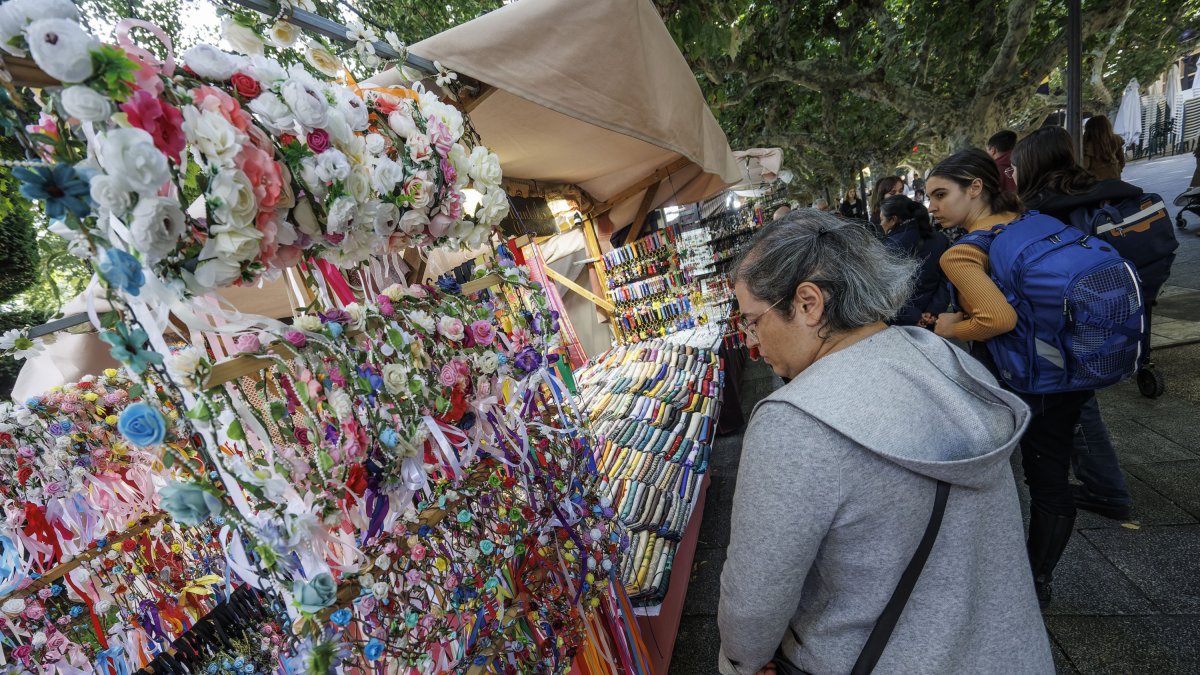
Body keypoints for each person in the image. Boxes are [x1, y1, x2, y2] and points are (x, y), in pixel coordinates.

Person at [717, 211, 1052, 675]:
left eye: (754, 321)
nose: (754, 343)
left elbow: (755, 599)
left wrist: (740, 662)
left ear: (809, 303)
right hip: (1008, 652)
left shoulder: (795, 422)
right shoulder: (947, 361)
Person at [929, 148, 1092, 606]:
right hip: (1068, 366)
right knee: (1050, 477)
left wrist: (949, 326)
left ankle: (1006, 575)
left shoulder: (963, 252)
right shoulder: (1034, 221)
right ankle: (1040, 576)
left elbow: (997, 319)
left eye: (942, 194)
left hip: (1020, 380)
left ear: (975, 188)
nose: (933, 206)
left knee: (987, 475)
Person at [1012, 125, 1159, 521]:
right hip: (1126, 300)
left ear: (1030, 165)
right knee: (1081, 400)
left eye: (1015, 167)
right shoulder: (1104, 189)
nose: (1012, 174)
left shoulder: (1051, 208)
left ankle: (1107, 489)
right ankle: (1104, 486)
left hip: (1083, 316)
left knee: (1077, 402)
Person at [879, 195, 950, 328]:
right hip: (931, 319)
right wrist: (934, 310)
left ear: (893, 220)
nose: (881, 224)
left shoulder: (889, 247)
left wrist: (913, 316)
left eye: (882, 220)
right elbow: (947, 279)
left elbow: (883, 292)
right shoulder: (940, 239)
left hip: (900, 322)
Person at [1082, 115, 1126, 181]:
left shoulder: (1089, 144)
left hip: (1096, 182)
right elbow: (1122, 162)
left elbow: (1085, 166)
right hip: (1115, 178)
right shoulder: (1115, 140)